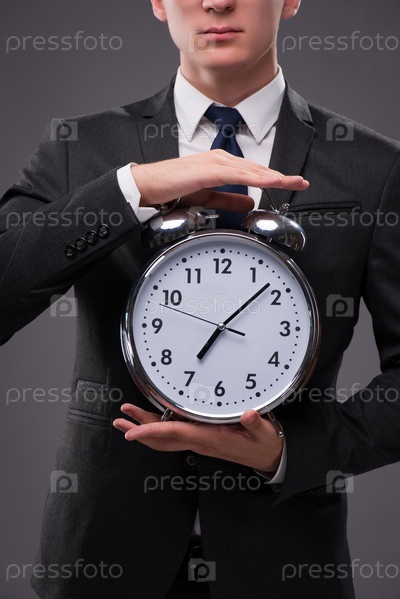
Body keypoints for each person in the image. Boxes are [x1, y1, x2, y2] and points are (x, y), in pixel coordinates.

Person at [1, 0, 400, 597]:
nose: (216, 1)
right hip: (101, 559)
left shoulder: (376, 167)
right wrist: (133, 189)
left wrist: (290, 452)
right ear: (158, 3)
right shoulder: (79, 147)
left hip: (286, 564)